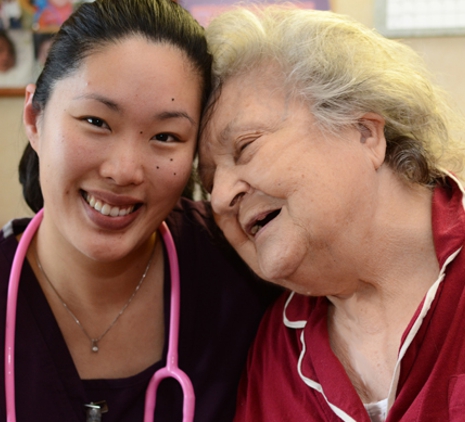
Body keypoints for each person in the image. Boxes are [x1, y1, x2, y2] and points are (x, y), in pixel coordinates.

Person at [0, 0, 278, 421]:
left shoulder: (242, 270)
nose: (124, 171)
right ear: (35, 118)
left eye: (165, 136)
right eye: (96, 122)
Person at [199, 6, 465, 422]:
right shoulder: (275, 349)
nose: (219, 198)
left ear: (364, 132)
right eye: (209, 180)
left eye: (246, 146)